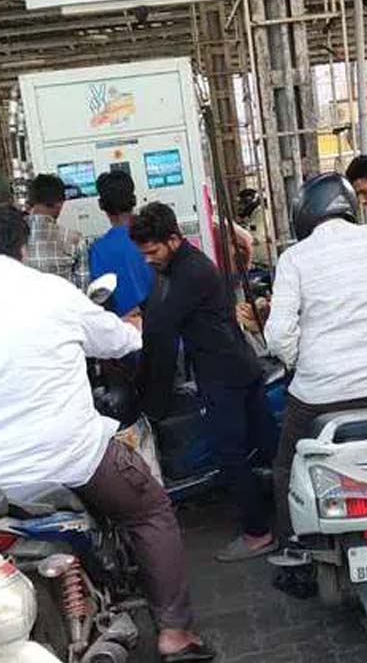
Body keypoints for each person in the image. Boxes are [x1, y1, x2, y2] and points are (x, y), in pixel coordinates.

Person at [0, 204, 214, 662]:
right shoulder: (50, 291)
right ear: (20, 248)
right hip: (71, 460)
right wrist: (135, 330)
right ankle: (176, 634)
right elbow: (117, 341)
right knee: (150, 511)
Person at [260, 173, 367, 543]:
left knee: (286, 466)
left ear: (303, 215)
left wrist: (302, 362)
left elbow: (277, 336)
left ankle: (293, 546)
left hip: (319, 395)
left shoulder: (294, 258)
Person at [132, 202, 277, 563]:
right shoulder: (176, 265)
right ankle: (289, 523)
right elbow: (156, 305)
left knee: (233, 454)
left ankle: (258, 534)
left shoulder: (191, 272)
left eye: (152, 252)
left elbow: (162, 327)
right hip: (235, 365)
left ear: (173, 239)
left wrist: (150, 396)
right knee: (268, 447)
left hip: (225, 374)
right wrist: (138, 311)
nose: (148, 259)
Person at [90, 171, 155, 316]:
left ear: (101, 204)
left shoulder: (98, 250)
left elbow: (101, 300)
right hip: (166, 326)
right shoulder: (155, 236)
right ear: (134, 199)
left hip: (126, 330)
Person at [25, 173, 90, 292]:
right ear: (60, 204)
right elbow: (83, 290)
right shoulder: (74, 240)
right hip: (66, 309)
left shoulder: (13, 238)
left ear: (29, 203)